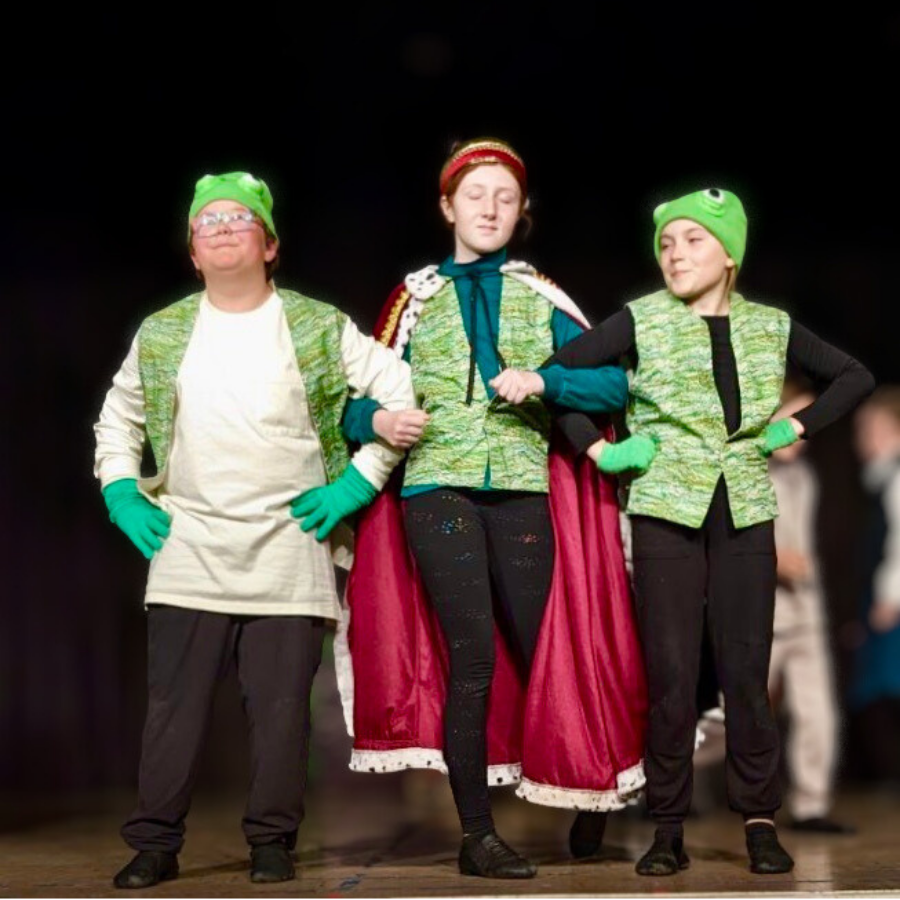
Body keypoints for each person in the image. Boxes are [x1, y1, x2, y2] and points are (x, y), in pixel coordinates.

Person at [492, 187, 875, 875]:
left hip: (746, 510)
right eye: (667, 243)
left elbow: (854, 376)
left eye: (693, 240)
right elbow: (557, 382)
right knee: (669, 676)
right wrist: (600, 451)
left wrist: (795, 424)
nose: (675, 253)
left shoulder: (771, 326)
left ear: (729, 254)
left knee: (746, 677)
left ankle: (759, 819)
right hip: (666, 510)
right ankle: (667, 826)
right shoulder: (640, 320)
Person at [336, 138, 648, 879]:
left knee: (554, 650)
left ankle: (587, 794)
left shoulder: (543, 296)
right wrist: (378, 423)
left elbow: (612, 388)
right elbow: (353, 408)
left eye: (505, 198)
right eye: (475, 195)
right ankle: (477, 834)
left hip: (521, 493)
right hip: (435, 491)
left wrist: (544, 383)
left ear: (522, 212)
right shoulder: (412, 299)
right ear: (447, 205)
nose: (490, 208)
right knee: (472, 659)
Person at [93, 171, 416, 889]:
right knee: (172, 711)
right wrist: (121, 488)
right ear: (193, 252)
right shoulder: (164, 330)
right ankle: (154, 842)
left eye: (241, 218)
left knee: (279, 719)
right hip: (189, 547)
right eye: (208, 222)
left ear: (270, 244)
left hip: (288, 550)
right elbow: (118, 420)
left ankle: (273, 841)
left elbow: (398, 392)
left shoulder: (315, 324)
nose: (224, 228)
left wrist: (356, 483)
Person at [768, 386, 854, 833]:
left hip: (807, 609)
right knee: (729, 713)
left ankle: (811, 802)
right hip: (765, 612)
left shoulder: (807, 476)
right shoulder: (750, 472)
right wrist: (773, 557)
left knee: (818, 710)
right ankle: (664, 788)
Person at [848, 386, 900, 786]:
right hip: (875, 598)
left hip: (891, 601)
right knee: (872, 688)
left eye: (875, 429)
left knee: (886, 687)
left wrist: (889, 596)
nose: (864, 439)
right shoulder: (874, 479)